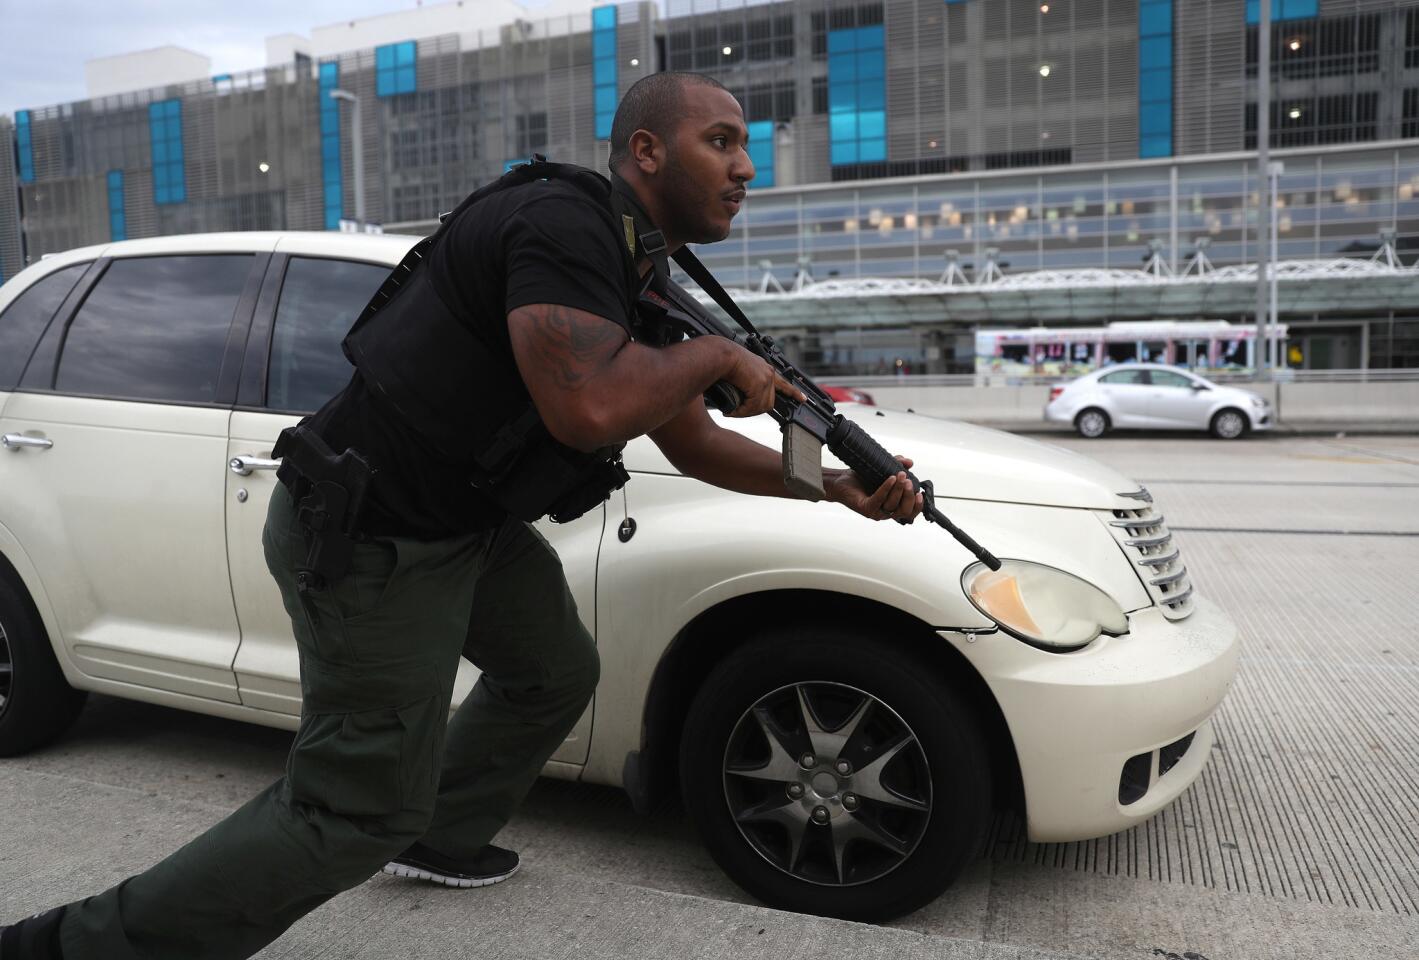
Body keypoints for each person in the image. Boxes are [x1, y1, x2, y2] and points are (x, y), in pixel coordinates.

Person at [0, 72, 922, 960]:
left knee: (553, 671)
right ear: (646, 150)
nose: (745, 167)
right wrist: (715, 352)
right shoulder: (562, 227)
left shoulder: (641, 271)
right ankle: (75, 946)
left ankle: (439, 834)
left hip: (460, 527)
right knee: (347, 812)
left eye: (744, 147)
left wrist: (832, 489)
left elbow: (690, 444)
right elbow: (588, 409)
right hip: (371, 535)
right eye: (719, 141)